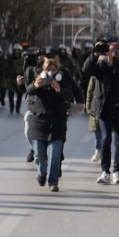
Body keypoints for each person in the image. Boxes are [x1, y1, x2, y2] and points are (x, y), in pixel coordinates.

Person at [83, 40, 119, 184]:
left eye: (116, 52)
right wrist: (94, 54)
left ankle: (117, 171)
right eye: (109, 51)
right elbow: (86, 69)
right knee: (106, 140)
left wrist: (114, 61)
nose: (112, 54)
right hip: (104, 109)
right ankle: (105, 171)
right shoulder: (101, 65)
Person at [25, 56, 75, 192]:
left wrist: (59, 89)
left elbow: (70, 95)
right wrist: (35, 85)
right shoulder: (39, 78)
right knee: (39, 156)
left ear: (57, 70)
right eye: (48, 69)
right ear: (44, 69)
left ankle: (53, 182)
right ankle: (41, 174)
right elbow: (28, 91)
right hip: (39, 121)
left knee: (55, 154)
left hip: (57, 122)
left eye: (54, 70)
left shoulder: (62, 79)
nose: (51, 72)